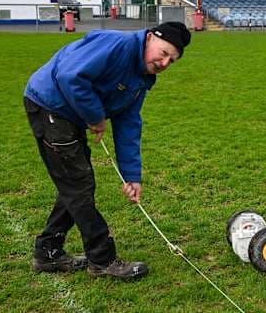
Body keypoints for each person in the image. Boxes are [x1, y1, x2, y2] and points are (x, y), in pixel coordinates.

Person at [24, 22, 191, 279]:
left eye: (173, 60)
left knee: (75, 183)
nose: (165, 62)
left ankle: (48, 252)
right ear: (149, 38)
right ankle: (101, 259)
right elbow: (70, 76)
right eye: (164, 52)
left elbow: (129, 124)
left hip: (69, 114)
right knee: (78, 185)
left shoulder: (142, 79)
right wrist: (96, 117)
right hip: (50, 105)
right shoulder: (118, 45)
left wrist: (131, 176)